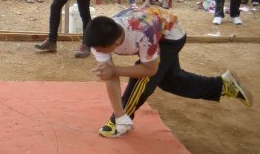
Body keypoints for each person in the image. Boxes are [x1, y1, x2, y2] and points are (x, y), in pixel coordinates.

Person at [84, 7, 252, 138]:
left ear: (115, 43)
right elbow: (110, 75)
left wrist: (119, 113)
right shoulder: (100, 39)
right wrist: (112, 73)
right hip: (155, 26)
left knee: (144, 79)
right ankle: (222, 85)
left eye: (100, 49)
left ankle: (119, 122)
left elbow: (150, 69)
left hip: (171, 35)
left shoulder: (143, 34)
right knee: (171, 81)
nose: (97, 51)